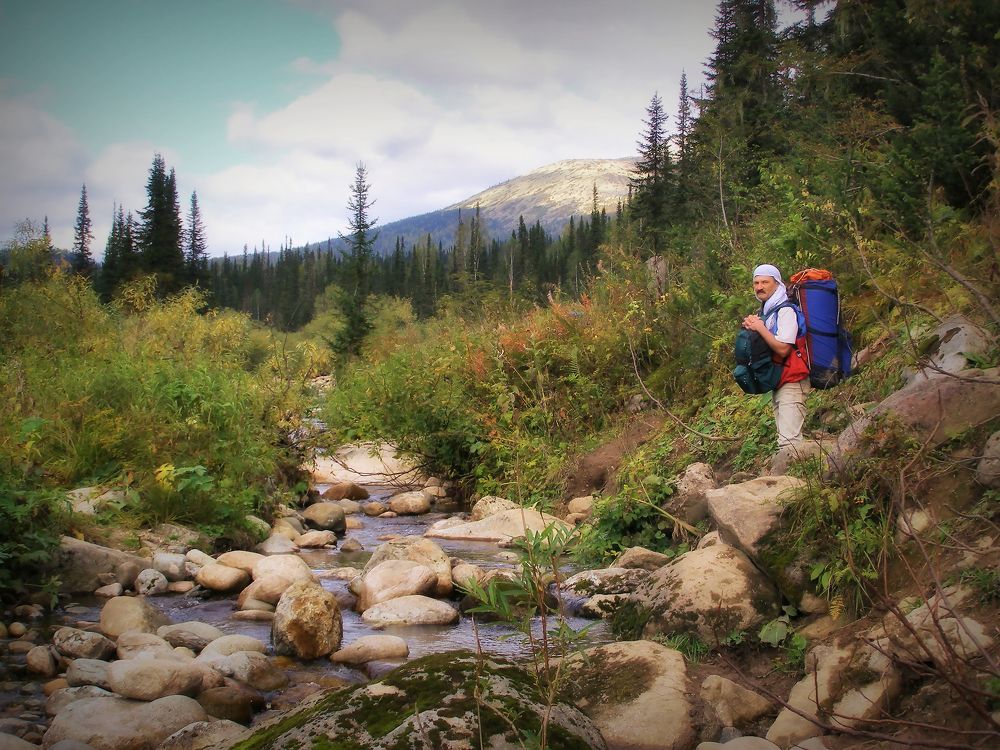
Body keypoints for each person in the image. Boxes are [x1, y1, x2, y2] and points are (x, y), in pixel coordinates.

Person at [741, 264, 810, 448]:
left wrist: (760, 328)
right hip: (781, 382)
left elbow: (783, 349)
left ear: (777, 283)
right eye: (756, 282)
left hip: (793, 381)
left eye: (765, 282)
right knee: (785, 442)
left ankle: (797, 476)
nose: (759, 287)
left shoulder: (785, 311)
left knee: (789, 444)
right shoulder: (767, 312)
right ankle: (796, 475)